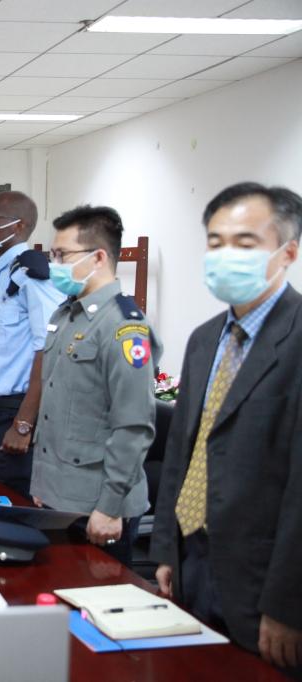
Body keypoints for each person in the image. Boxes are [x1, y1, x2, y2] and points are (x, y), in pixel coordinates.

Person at [152, 182, 302, 676]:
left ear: (287, 253)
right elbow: (183, 451)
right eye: (216, 242)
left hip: (265, 579)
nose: (225, 255)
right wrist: (166, 549)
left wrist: (288, 604)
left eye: (245, 243)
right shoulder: (204, 339)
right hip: (192, 558)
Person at [31, 206, 161, 567]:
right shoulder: (65, 315)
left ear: (98, 257)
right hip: (60, 497)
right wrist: (44, 485)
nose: (54, 264)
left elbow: (133, 426)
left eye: (62, 255)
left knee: (94, 597)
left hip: (100, 508)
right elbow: (57, 406)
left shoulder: (124, 326)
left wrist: (111, 507)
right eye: (52, 254)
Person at [0, 191, 65, 497]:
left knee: (14, 507)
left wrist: (24, 423)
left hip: (17, 412)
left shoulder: (32, 275)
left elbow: (49, 349)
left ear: (18, 226)